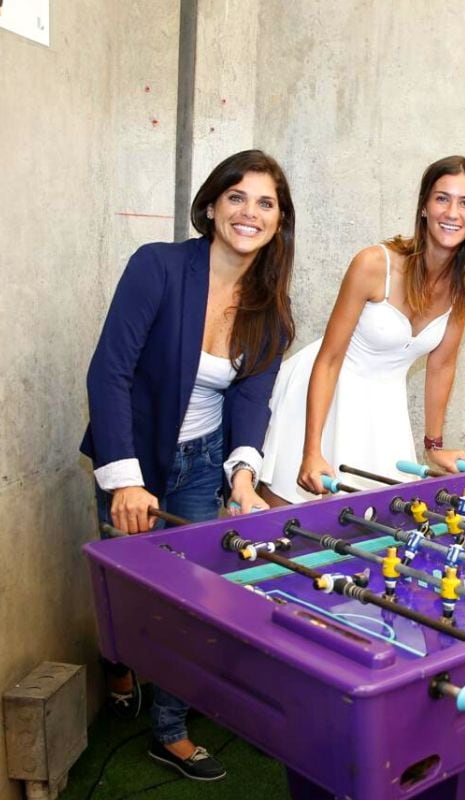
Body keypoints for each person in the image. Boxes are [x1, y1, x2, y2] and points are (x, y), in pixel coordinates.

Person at [81, 149, 297, 781]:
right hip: (133, 452)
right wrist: (125, 479)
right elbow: (109, 371)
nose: (249, 213)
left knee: (193, 601)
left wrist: (243, 478)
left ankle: (169, 729)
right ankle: (118, 661)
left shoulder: (272, 310)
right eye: (237, 197)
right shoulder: (158, 266)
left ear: (279, 221)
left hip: (202, 462)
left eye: (265, 203)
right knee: (127, 592)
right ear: (212, 204)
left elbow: (251, 400)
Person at [260, 155, 465, 503]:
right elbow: (330, 359)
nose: (452, 212)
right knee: (286, 517)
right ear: (424, 206)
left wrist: (434, 446)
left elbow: (442, 366)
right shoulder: (374, 264)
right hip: (322, 395)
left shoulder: (464, 287)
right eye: (442, 198)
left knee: (374, 521)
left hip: (384, 410)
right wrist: (312, 449)